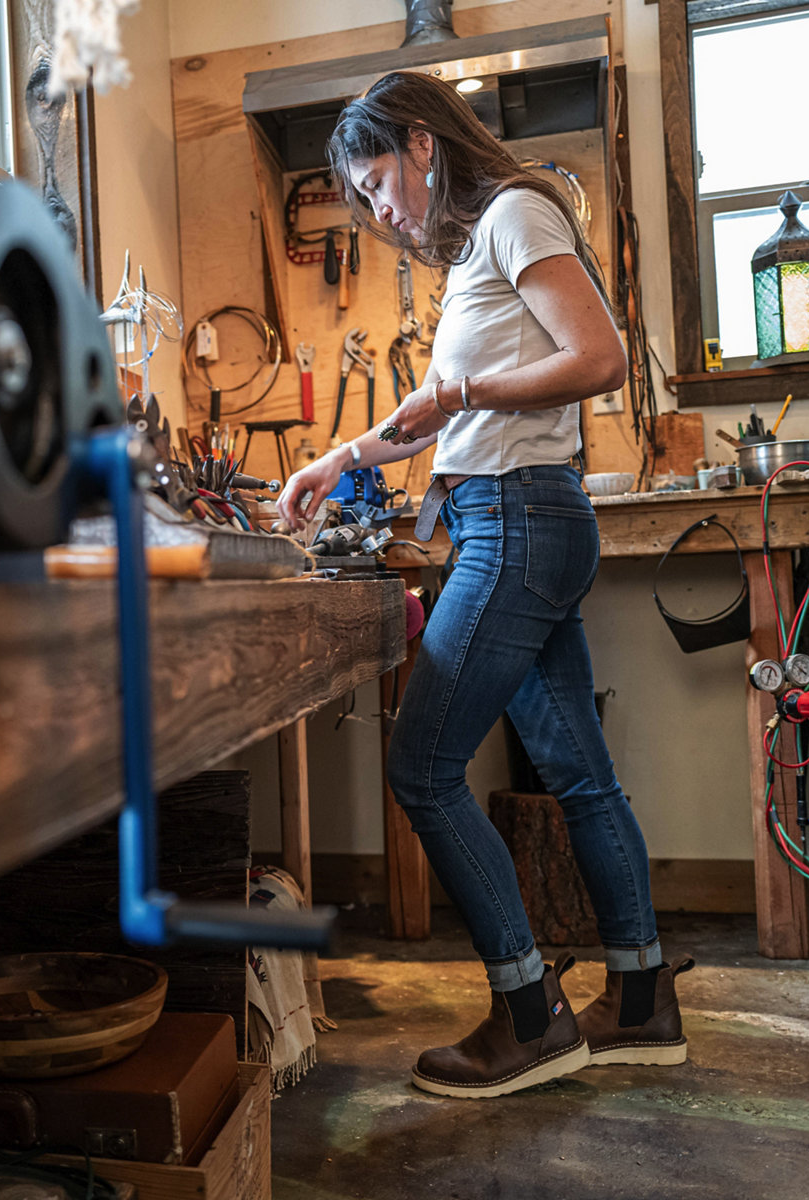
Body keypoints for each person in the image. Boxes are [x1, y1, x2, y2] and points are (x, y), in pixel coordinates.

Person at [276, 71, 693, 1099]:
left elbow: (595, 356)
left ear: (423, 145)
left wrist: (459, 390)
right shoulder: (477, 251)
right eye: (361, 205)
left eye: (376, 183)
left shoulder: (515, 210)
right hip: (514, 518)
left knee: (420, 769)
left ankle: (527, 1015)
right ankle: (640, 1004)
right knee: (580, 776)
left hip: (515, 521)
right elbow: (433, 405)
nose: (378, 213)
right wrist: (340, 459)